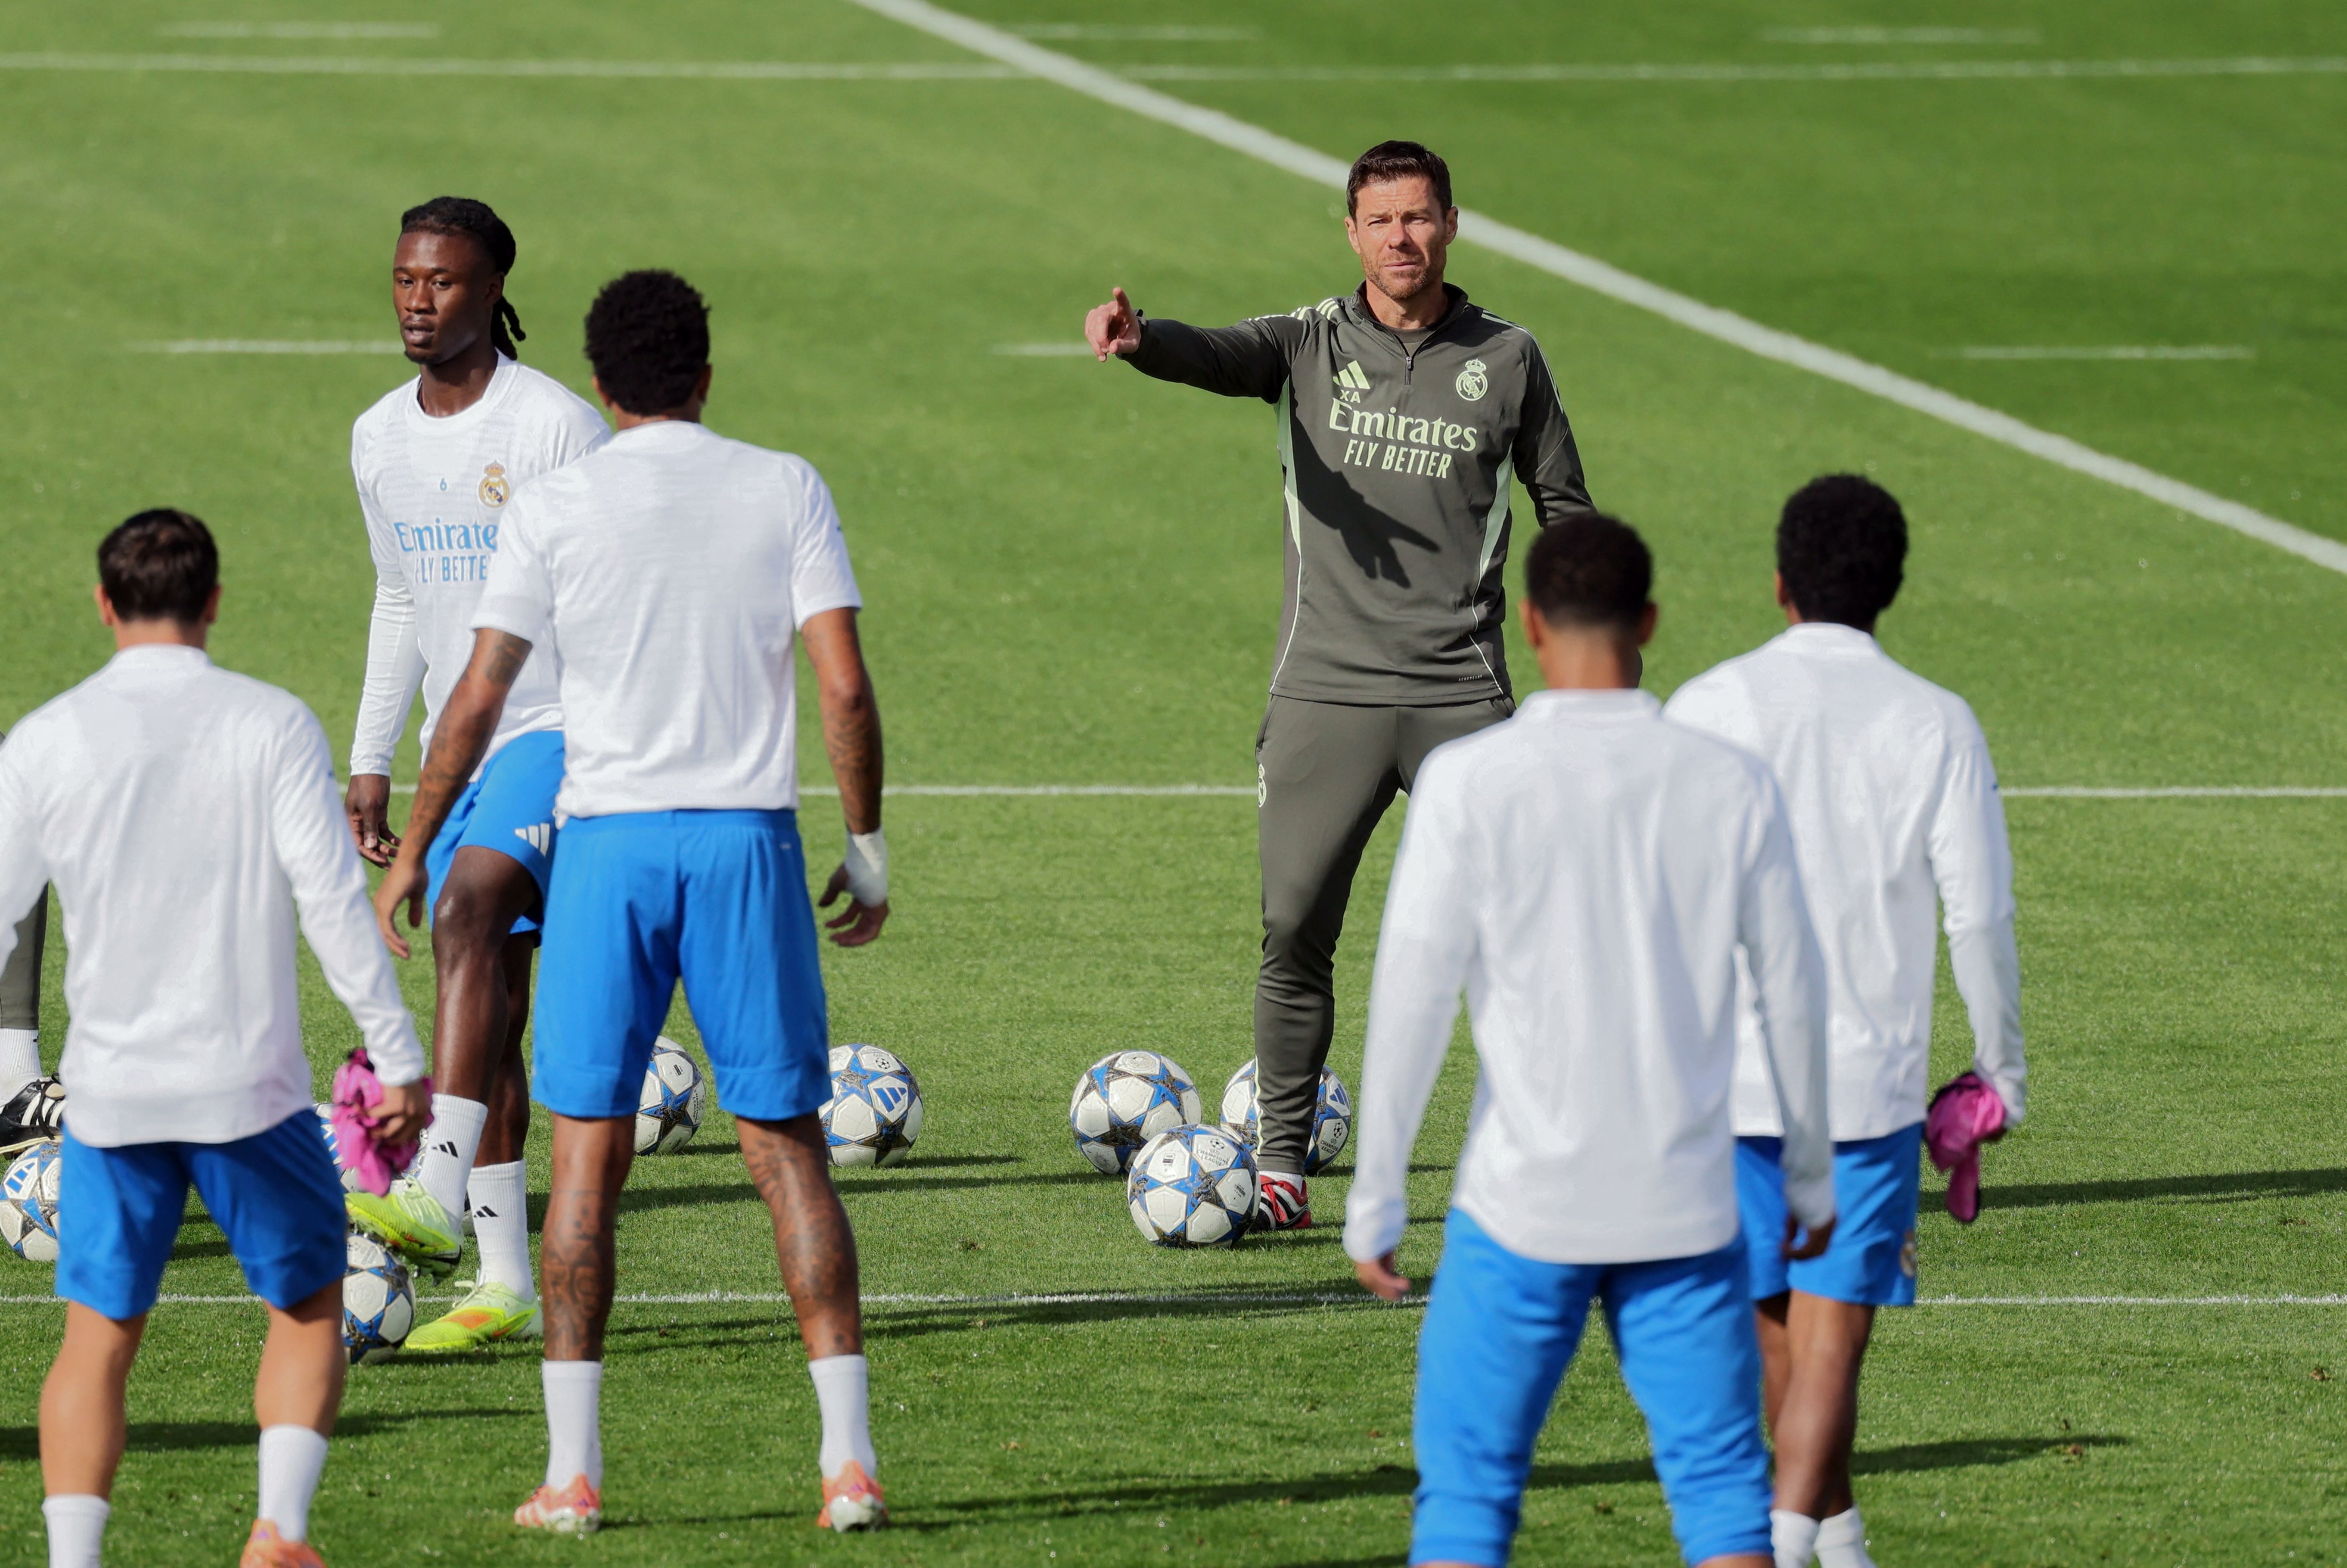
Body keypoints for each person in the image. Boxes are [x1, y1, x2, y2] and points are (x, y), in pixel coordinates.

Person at [369, 270, 892, 1534]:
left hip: (607, 851)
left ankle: (573, 1475)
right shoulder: (785, 485)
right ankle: (848, 1466)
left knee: (587, 1162)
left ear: (599, 386)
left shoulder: (555, 502)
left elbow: (481, 694)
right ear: (704, 374)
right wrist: (865, 844)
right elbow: (843, 688)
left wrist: (415, 840)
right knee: (787, 1154)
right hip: (744, 844)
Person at [1082, 139, 1594, 1230]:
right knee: (1295, 924)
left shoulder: (1508, 358)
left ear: (1452, 223)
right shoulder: (1307, 341)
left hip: (1464, 691)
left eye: (1420, 217)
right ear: (1352, 231)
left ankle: (1558, 1154)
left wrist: (1597, 658)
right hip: (1327, 690)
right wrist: (1139, 342)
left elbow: (1570, 510)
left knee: (1528, 936)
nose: (1402, 239)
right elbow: (1214, 352)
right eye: (1382, 220)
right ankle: (1277, 1166)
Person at [1343, 514, 1837, 1568]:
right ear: (1649, 622)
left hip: (1519, 1211)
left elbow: (1412, 997)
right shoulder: (1730, 782)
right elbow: (1794, 992)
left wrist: (1377, 1192)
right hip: (1688, 1211)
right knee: (1721, 1501)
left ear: (1526, 624)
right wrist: (1807, 1175)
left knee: (1468, 1503)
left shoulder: (1472, 780)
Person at [0, 511, 430, 1568]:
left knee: (99, 1337)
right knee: (308, 1300)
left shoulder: (45, 737)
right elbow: (335, 902)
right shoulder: (271, 722)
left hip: (110, 1098)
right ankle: (278, 1531)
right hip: (250, 1091)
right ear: (215, 601)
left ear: (105, 605)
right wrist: (398, 1055)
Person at [1664, 475, 2025, 1568]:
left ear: (1779, 583)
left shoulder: (1706, 702)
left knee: (1776, 1315)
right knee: (1834, 1335)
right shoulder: (1936, 721)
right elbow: (1982, 912)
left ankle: (1840, 1539)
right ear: (1895, 587)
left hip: (1721, 1079)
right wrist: (2001, 1065)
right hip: (1859, 1087)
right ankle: (1773, 1546)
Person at [342, 196, 609, 1351]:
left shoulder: (555, 427)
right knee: (488, 1006)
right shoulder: (376, 435)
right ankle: (501, 1280)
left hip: (557, 728)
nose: (417, 299)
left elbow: (608, 594)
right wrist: (370, 755)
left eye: (443, 282)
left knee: (465, 906)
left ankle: (433, 1187)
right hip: (456, 747)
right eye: (405, 278)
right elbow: (401, 596)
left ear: (495, 289)